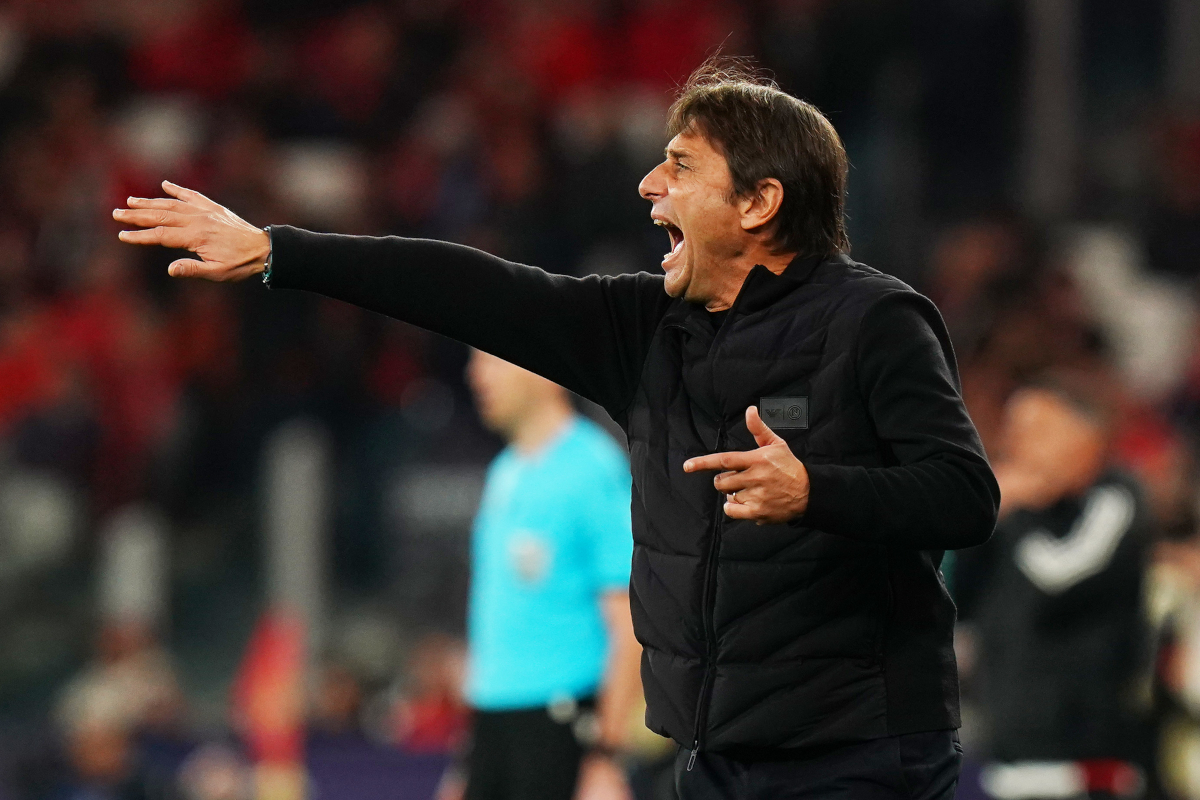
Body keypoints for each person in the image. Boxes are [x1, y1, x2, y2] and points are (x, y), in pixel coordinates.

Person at [113, 59, 999, 798]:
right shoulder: (647, 330)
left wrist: (816, 490)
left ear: (760, 202)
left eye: (682, 166)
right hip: (714, 755)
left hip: (857, 752)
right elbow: (477, 290)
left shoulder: (876, 321)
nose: (652, 186)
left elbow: (965, 496)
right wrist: (281, 253)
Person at [434, 349, 642, 800]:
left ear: (541, 369)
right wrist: (470, 757)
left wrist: (605, 756)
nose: (474, 374)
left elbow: (630, 624)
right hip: (495, 727)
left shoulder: (592, 469)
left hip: (558, 725)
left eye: (489, 357)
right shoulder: (504, 472)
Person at [954, 372, 1153, 800]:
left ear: (1086, 435)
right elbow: (957, 602)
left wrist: (1015, 512)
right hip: (1005, 762)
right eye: (1013, 432)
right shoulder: (1007, 517)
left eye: (1037, 430)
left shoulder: (1114, 498)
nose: (1016, 447)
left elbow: (1057, 577)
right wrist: (980, 516)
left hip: (1087, 768)